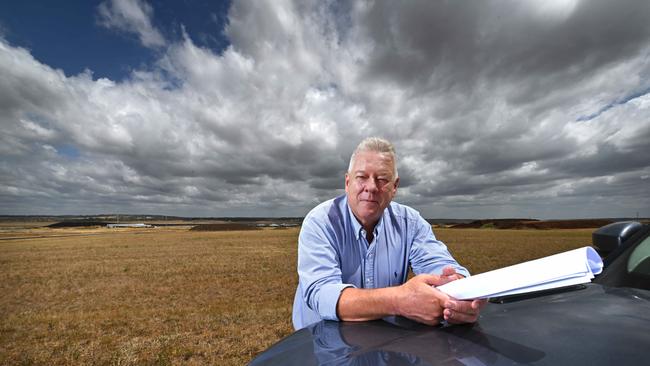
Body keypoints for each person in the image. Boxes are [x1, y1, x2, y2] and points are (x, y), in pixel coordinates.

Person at [292, 137, 485, 330]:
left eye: (382, 179)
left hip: (382, 341)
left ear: (395, 187)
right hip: (319, 343)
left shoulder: (411, 223)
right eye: (362, 177)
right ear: (347, 182)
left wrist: (459, 290)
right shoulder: (320, 222)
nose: (372, 187)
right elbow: (322, 294)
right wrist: (399, 301)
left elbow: (439, 265)